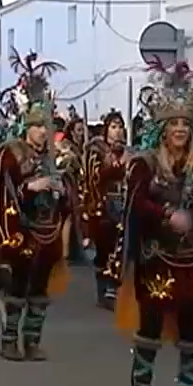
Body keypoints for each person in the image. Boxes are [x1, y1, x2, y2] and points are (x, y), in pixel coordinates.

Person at [113, 60, 193, 386]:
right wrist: (166, 214)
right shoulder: (145, 163)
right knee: (150, 326)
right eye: (174, 124)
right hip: (157, 256)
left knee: (192, 327)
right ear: (162, 129)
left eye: (185, 124)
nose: (180, 129)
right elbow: (137, 202)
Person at [0, 49, 72, 362]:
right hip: (22, 230)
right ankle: (9, 340)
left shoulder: (57, 156)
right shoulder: (10, 152)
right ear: (27, 126)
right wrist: (30, 186)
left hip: (49, 230)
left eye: (46, 128)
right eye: (37, 127)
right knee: (18, 289)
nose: (42, 133)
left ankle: (33, 341)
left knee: (40, 293)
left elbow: (72, 198)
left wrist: (63, 188)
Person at [81, 108, 129, 309]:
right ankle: (105, 289)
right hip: (104, 203)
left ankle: (114, 287)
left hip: (125, 202)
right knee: (105, 247)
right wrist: (115, 167)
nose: (117, 131)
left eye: (120, 127)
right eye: (113, 127)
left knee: (121, 246)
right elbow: (94, 178)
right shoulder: (96, 151)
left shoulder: (128, 151)